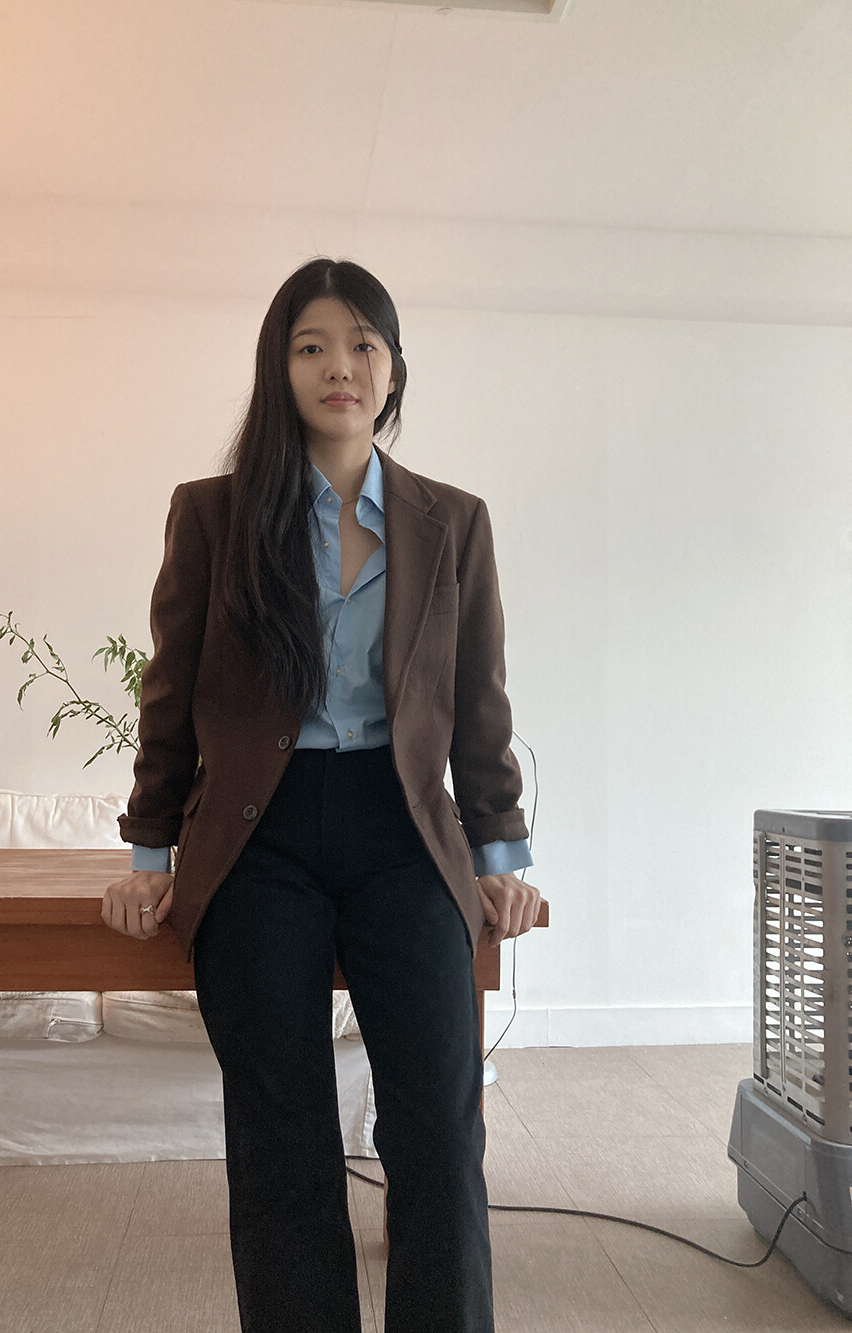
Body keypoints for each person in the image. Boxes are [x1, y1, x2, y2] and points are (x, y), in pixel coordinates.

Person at [101, 257, 541, 1333]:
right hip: (262, 837)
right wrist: (150, 856)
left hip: (404, 832)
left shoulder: (453, 521)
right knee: (280, 1136)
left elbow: (478, 702)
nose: (339, 366)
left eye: (362, 344)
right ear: (280, 367)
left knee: (438, 1127)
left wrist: (499, 860)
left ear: (393, 369)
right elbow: (172, 693)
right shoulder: (215, 515)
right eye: (311, 346)